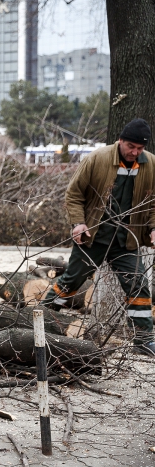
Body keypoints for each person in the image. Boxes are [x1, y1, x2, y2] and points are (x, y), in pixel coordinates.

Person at [40, 118, 155, 356]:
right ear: (120, 141)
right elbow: (74, 194)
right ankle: (40, 323)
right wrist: (78, 223)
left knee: (138, 285)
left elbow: (152, 203)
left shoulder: (151, 164)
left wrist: (153, 227)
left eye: (140, 149)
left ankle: (143, 339)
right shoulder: (97, 159)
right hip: (93, 236)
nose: (135, 152)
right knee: (70, 283)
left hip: (127, 240)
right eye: (131, 147)